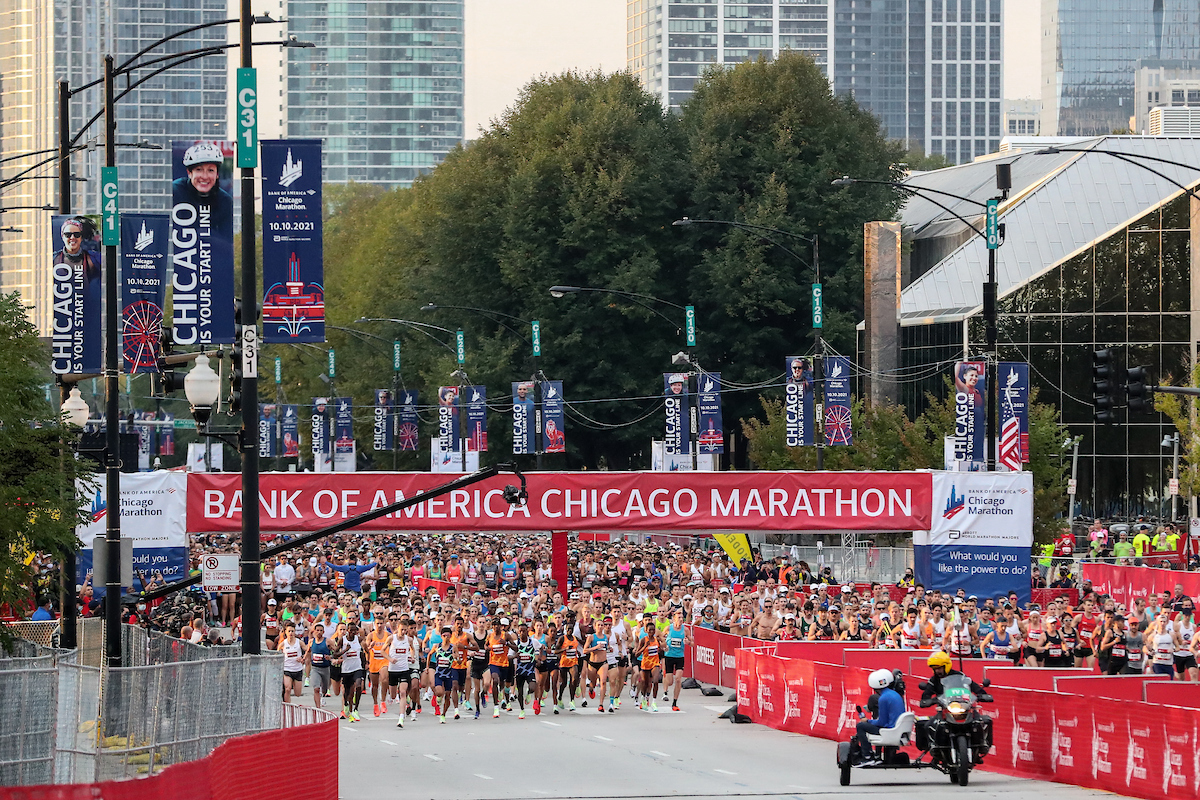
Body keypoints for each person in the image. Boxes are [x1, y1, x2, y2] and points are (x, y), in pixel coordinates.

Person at [172, 141, 234, 240]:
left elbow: (227, 242)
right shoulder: (174, 192)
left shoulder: (225, 201)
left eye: (210, 170)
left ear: (217, 174)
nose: (204, 177)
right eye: (199, 170)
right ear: (189, 172)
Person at [855, 669, 905, 765]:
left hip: (890, 730)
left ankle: (867, 756)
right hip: (897, 728)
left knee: (861, 726)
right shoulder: (896, 695)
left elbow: (882, 723)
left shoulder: (883, 698)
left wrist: (868, 721)